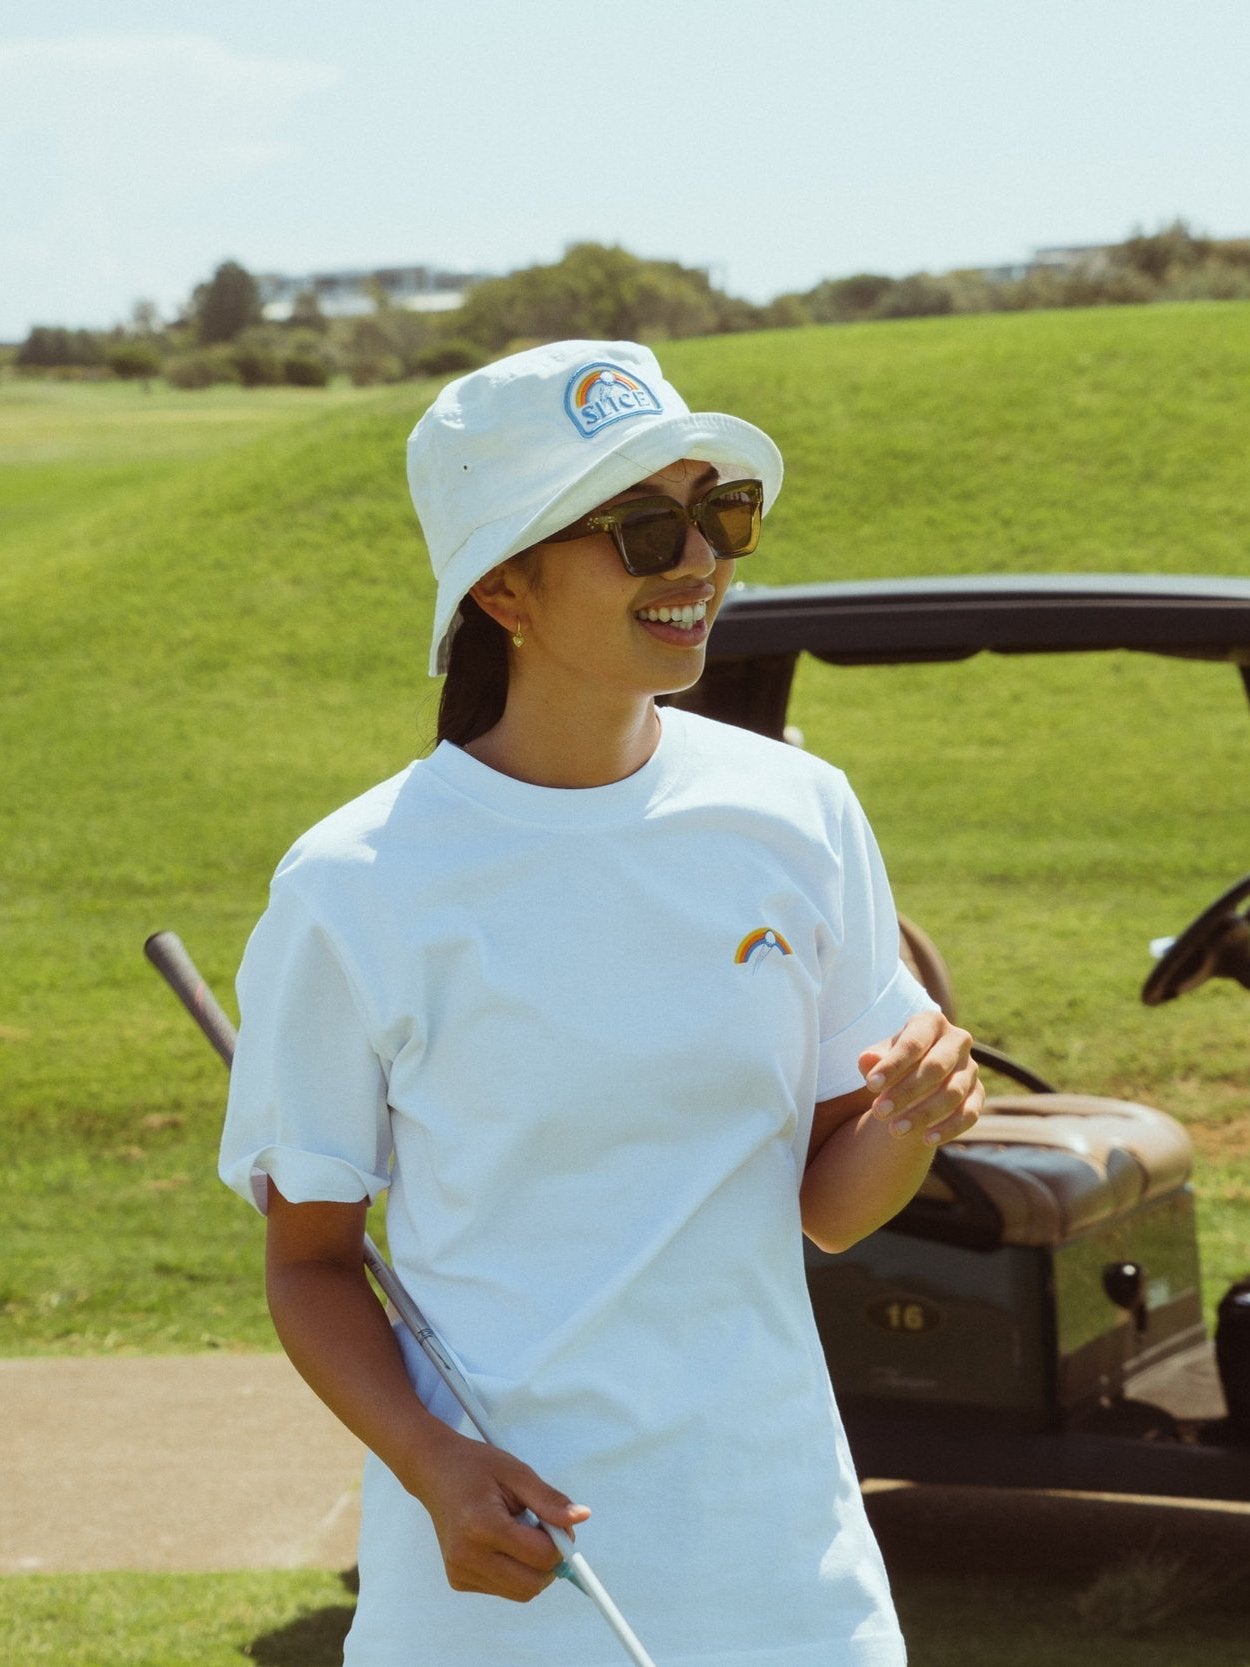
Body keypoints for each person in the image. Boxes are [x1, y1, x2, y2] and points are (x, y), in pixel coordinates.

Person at [219, 339, 983, 1667]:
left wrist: (914, 1117)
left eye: (717, 513)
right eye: (640, 529)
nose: (696, 563)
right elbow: (310, 1264)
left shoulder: (798, 811)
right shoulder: (354, 884)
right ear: (502, 590)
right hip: (503, 1588)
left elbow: (829, 1206)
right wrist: (433, 1464)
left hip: (787, 1576)